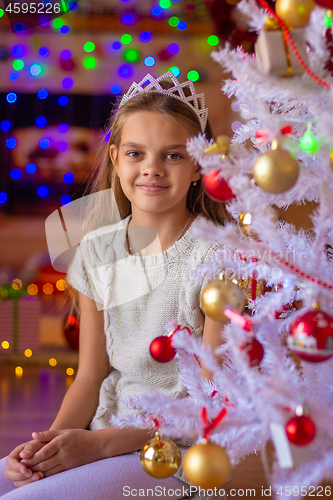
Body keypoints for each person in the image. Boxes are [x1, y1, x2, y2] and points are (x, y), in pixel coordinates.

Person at [1, 72, 229, 500]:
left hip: (175, 452)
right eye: (135, 153)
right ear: (116, 158)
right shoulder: (95, 252)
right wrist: (47, 445)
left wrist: (98, 445)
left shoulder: (215, 258)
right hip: (102, 434)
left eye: (174, 156)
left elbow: (210, 404)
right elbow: (90, 375)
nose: (152, 169)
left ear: (199, 165)